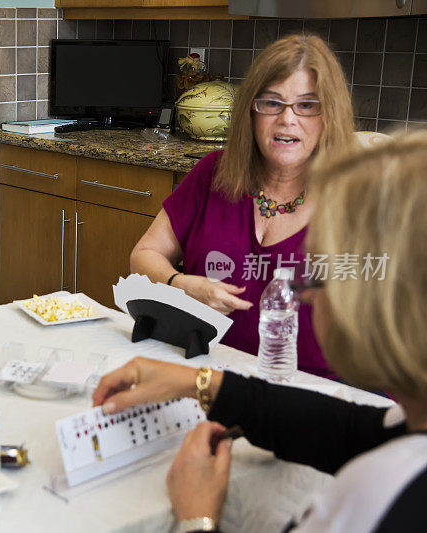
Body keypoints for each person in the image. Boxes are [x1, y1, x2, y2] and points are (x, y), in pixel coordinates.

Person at [96, 132, 426, 531]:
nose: (308, 299)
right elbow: (349, 429)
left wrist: (197, 517)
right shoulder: (405, 432)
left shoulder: (373, 496)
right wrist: (202, 383)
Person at [131, 34, 356, 379]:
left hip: (320, 397)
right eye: (271, 103)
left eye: (307, 105)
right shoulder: (213, 173)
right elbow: (144, 254)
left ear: (331, 115)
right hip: (212, 373)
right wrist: (180, 283)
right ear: (251, 110)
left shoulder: (358, 199)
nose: (287, 119)